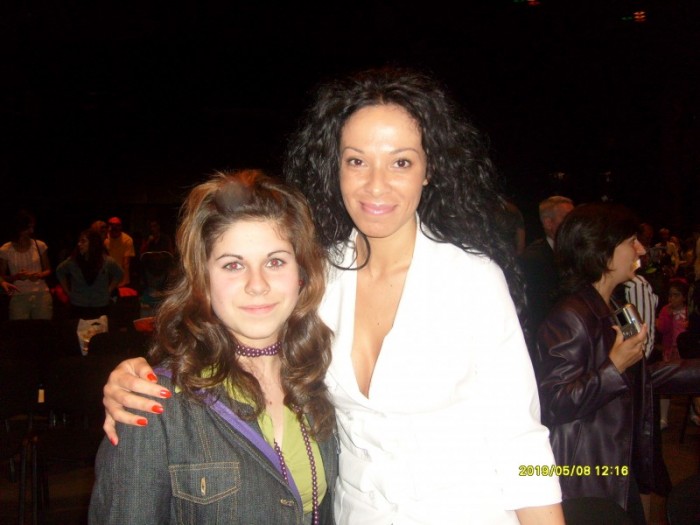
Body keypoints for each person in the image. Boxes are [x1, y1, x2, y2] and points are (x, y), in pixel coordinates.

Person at [99, 67, 564, 523]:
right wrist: (134, 376)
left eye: (401, 162)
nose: (376, 184)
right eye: (356, 161)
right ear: (335, 166)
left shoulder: (472, 281)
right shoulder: (318, 275)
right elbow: (234, 322)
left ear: (429, 170)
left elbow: (522, 439)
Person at [89, 169, 338, 524]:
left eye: (275, 261)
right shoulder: (153, 402)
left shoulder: (328, 382)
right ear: (203, 280)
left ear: (302, 274)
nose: (257, 284)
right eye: (233, 265)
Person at [534, 202, 700, 524]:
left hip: (617, 463)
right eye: (631, 242)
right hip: (588, 471)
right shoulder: (570, 316)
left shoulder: (613, 305)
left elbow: (640, 376)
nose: (641, 250)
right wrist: (614, 367)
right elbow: (554, 402)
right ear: (602, 251)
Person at [519, 195, 574, 353]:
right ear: (548, 223)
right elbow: (536, 312)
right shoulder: (533, 260)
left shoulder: (578, 253)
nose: (574, 224)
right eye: (568, 219)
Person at [55, 229, 123, 320]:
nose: (79, 244)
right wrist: (67, 291)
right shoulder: (73, 261)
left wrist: (109, 290)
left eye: (83, 241)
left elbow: (119, 273)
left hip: (100, 305)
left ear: (93, 243)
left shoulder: (106, 261)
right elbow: (59, 271)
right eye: (79, 241)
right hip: (78, 305)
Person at [0, 209, 53, 320]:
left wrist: (39, 275)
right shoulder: (5, 249)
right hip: (19, 295)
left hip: (41, 293)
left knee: (43, 327)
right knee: (20, 329)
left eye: (32, 227)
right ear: (19, 228)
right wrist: (17, 277)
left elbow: (48, 270)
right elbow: (2, 277)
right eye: (28, 227)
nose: (31, 231)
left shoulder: (40, 245)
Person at [656, 277, 692, 428]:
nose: (672, 298)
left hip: (685, 352)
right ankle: (664, 417)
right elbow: (661, 329)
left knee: (690, 383)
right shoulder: (666, 310)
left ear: (684, 297)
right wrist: (668, 316)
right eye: (670, 295)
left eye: (676, 295)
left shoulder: (688, 311)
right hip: (669, 351)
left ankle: (693, 412)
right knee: (667, 384)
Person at [104, 216, 135, 288]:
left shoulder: (127, 240)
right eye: (112, 226)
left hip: (120, 276)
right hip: (106, 276)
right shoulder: (104, 238)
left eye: (117, 226)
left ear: (120, 227)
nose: (114, 229)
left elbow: (126, 263)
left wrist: (124, 281)